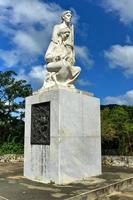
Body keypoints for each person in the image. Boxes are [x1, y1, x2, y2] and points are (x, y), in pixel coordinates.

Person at [44, 10, 81, 88]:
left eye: (68, 34)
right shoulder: (54, 44)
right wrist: (56, 57)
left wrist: (70, 58)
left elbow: (71, 60)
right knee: (65, 65)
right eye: (65, 34)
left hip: (64, 64)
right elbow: (47, 57)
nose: (67, 36)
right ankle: (56, 79)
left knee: (77, 69)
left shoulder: (67, 49)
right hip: (51, 65)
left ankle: (66, 83)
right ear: (61, 34)